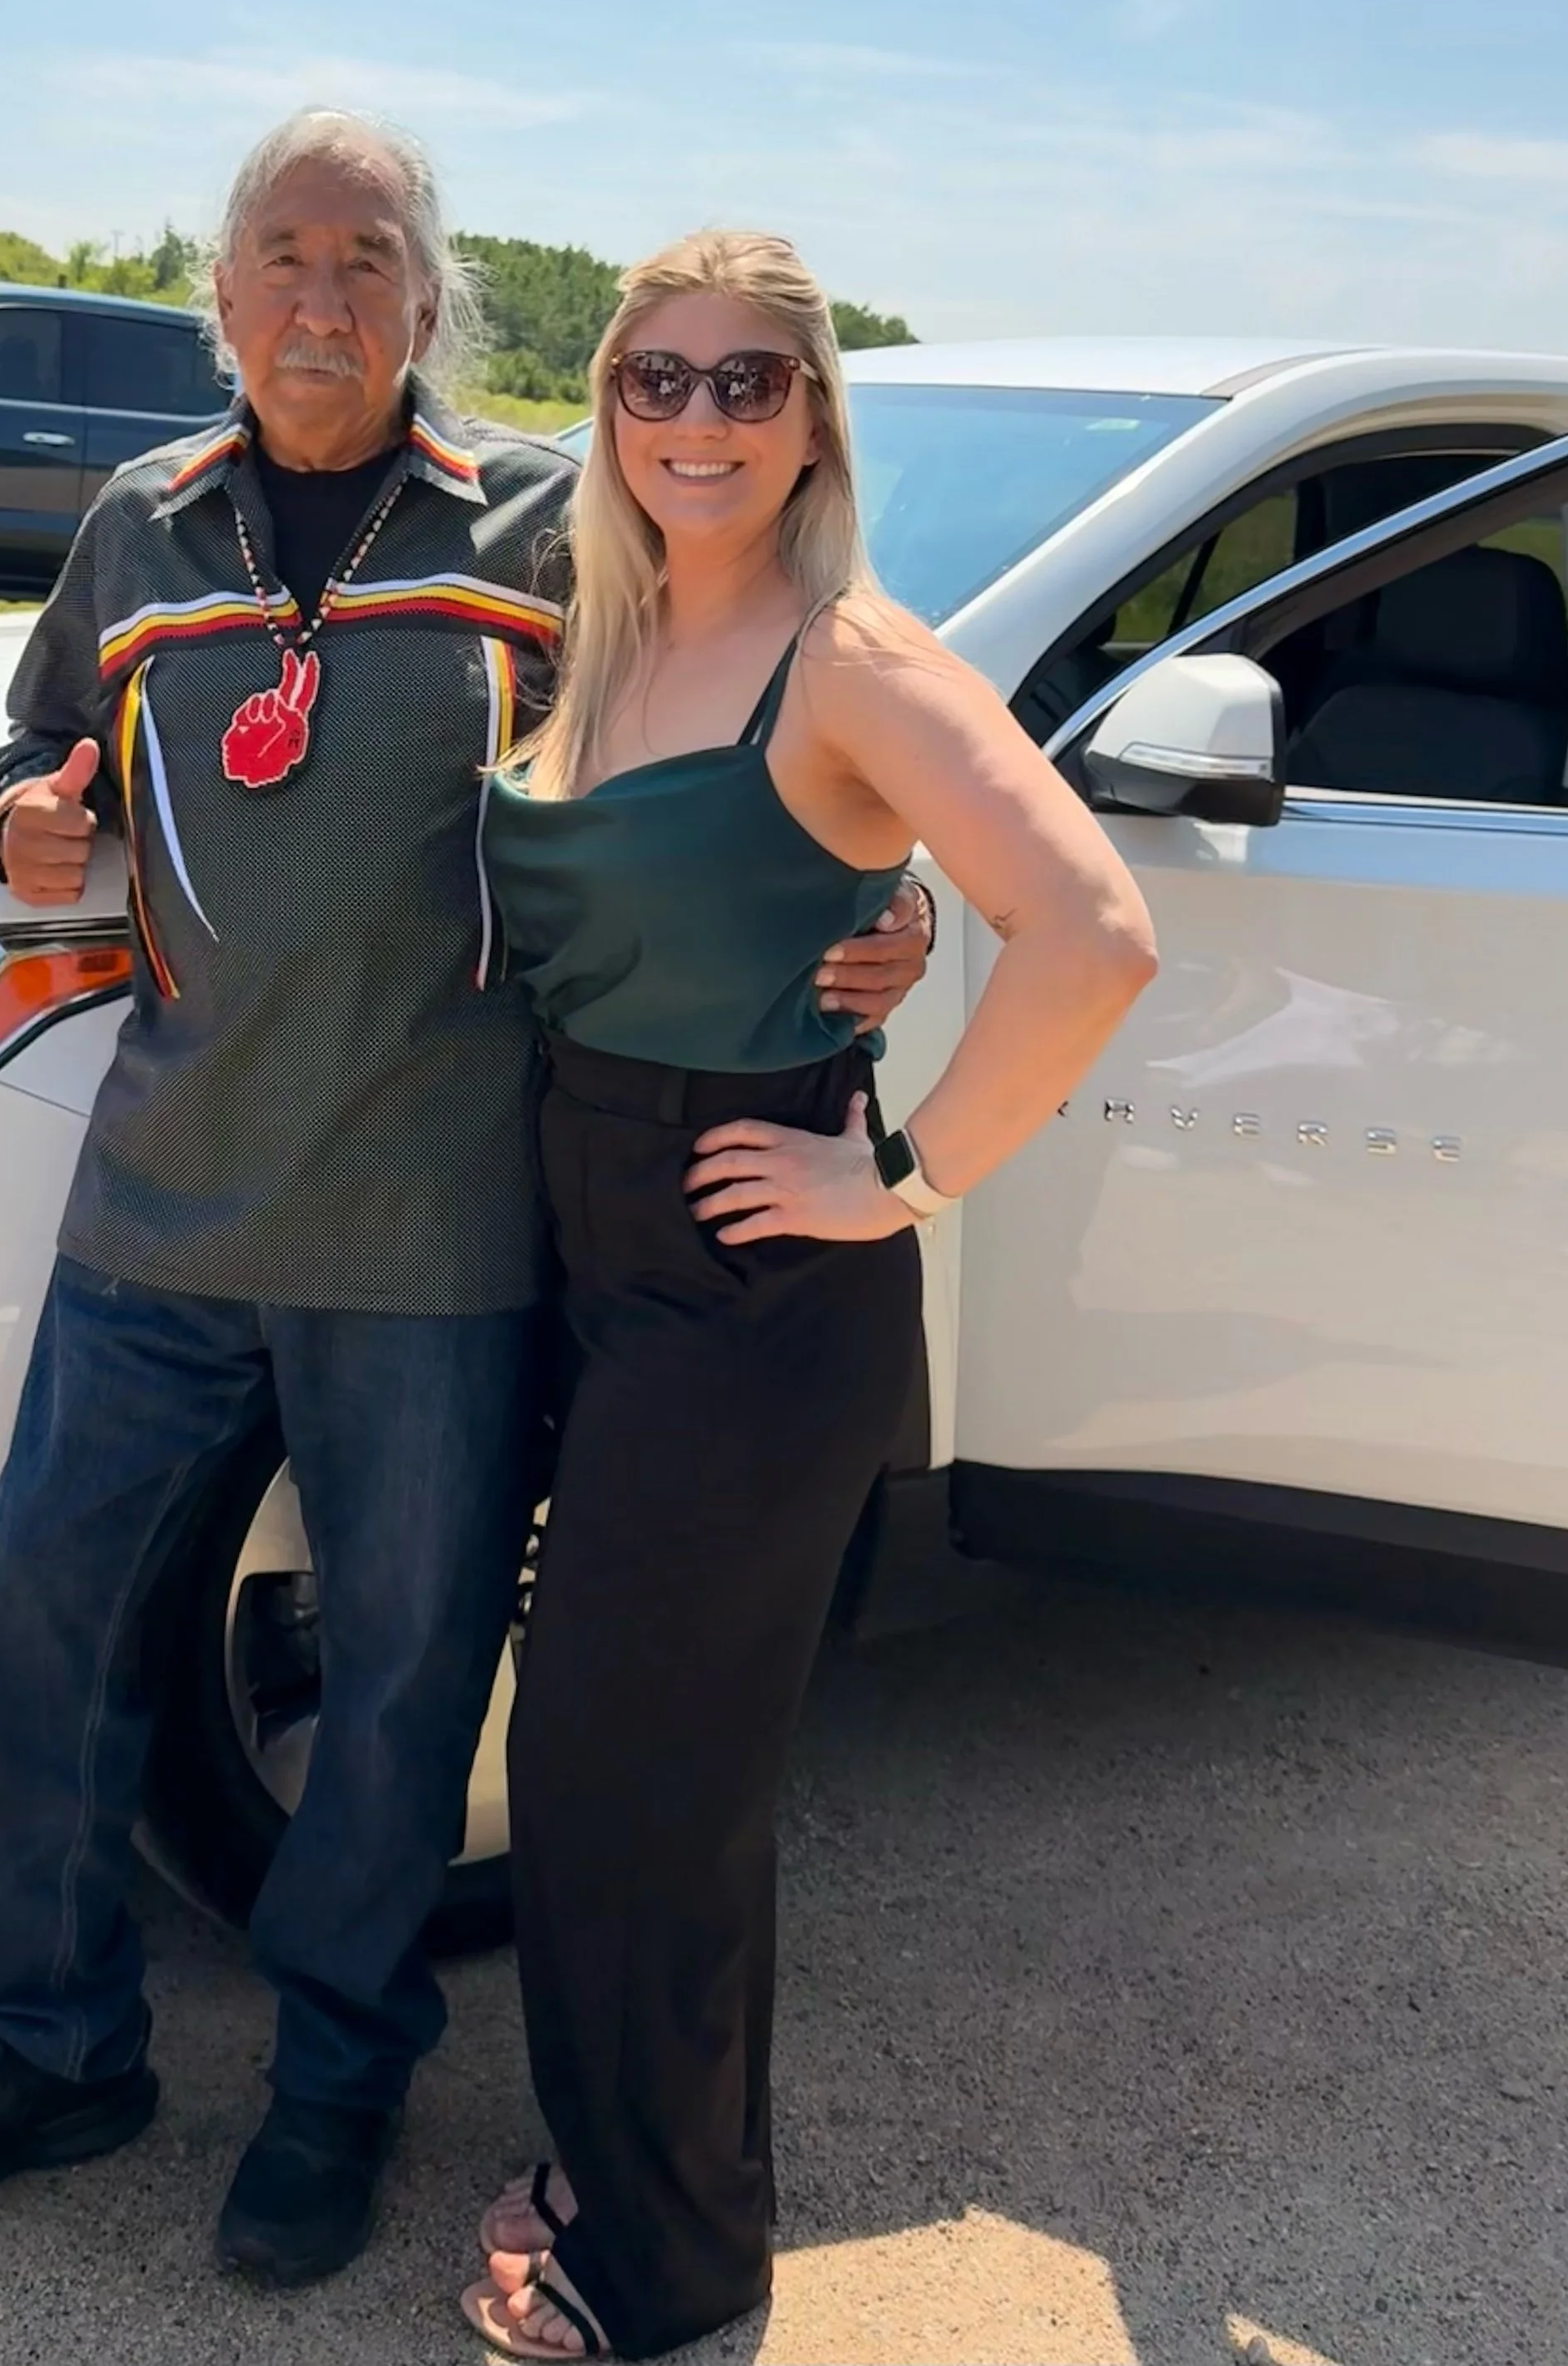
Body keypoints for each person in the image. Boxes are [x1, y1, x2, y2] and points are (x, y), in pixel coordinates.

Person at [0, 116, 933, 2286]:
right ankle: (53, 2043)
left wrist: (867, 902)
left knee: (404, 1687)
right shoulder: (138, 528)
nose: (319, 293)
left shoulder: (551, 522)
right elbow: (36, 743)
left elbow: (745, 746)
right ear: (217, 292)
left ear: (431, 304)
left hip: (436, 1230)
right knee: (41, 1640)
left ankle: (337, 2084)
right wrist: (24, 819)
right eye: (279, 252)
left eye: (367, 254)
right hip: (161, 1185)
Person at [463, 230, 1159, 2359]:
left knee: (623, 1782)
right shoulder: (595, 620)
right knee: (633, 1769)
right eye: (651, 380)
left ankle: (659, 2267)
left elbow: (1096, 925)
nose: (693, 420)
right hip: (576, 1232)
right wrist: (887, 902)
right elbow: (778, 878)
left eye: (746, 382)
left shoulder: (842, 650)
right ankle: (630, 2161)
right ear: (603, 407)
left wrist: (902, 1177)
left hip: (750, 1281)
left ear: (810, 415)